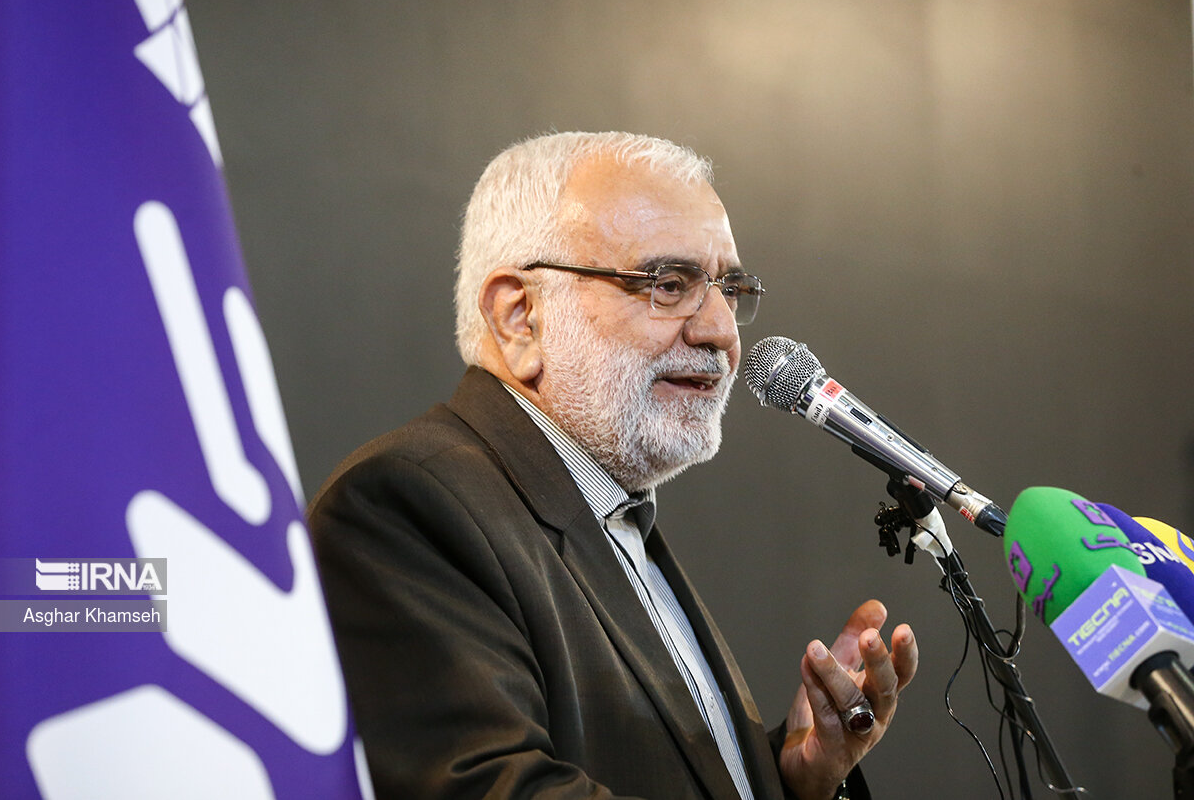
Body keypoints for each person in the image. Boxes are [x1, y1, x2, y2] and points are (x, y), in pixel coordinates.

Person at [308, 131, 918, 799]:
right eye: (668, 284)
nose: (721, 330)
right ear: (520, 317)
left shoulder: (614, 513)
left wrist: (794, 781)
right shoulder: (406, 506)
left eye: (730, 288)